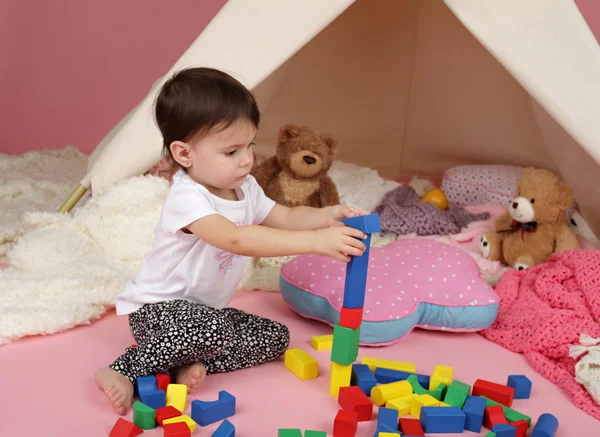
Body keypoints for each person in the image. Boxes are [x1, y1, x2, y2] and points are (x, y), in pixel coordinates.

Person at [94, 67, 368, 414]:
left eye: (250, 145)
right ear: (184, 154)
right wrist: (317, 242)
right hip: (156, 312)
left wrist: (328, 215)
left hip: (204, 315)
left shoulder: (246, 187)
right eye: (231, 151)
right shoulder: (187, 199)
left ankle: (182, 363)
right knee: (211, 330)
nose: (247, 159)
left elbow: (285, 216)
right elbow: (236, 239)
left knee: (275, 338)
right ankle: (123, 369)